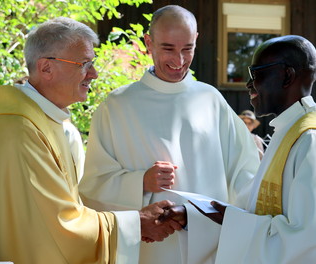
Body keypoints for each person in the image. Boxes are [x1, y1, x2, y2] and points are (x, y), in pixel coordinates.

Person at [0, 17, 182, 264]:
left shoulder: (50, 123)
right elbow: (58, 226)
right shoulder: (20, 131)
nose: (94, 73)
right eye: (84, 64)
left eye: (93, 63)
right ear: (46, 68)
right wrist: (135, 224)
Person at [80, 5, 260, 264]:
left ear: (196, 40)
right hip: (150, 250)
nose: (179, 61)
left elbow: (245, 174)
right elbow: (93, 186)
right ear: (148, 43)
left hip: (210, 245)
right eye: (168, 49)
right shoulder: (117, 106)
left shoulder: (211, 100)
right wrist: (140, 182)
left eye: (187, 49)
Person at [201, 35, 316, 263]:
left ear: (287, 76)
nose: (249, 84)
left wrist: (236, 223)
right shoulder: (287, 133)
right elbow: (253, 203)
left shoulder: (309, 141)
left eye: (257, 74)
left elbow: (306, 240)